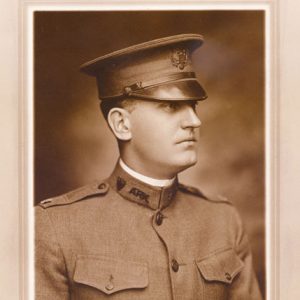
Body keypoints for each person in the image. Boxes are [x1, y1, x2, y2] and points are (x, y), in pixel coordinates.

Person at [35, 34, 263, 299]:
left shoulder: (222, 220)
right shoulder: (55, 226)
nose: (193, 121)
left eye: (193, 106)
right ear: (122, 124)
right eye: (170, 106)